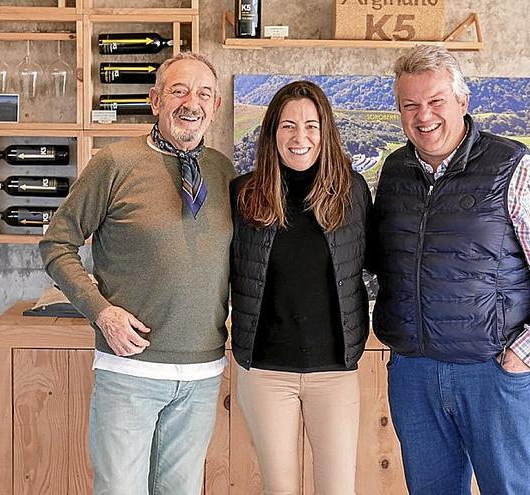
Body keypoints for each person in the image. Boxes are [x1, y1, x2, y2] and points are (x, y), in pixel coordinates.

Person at [368, 46, 530, 494]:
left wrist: (527, 354)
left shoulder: (513, 168)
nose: (423, 116)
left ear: (462, 102)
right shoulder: (394, 171)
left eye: (435, 101)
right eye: (410, 105)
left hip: (492, 372)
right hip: (415, 372)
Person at [39, 52, 233, 495]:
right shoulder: (114, 163)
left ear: (216, 106)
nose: (192, 102)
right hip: (130, 369)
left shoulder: (223, 171)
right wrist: (101, 312)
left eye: (204, 93)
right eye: (179, 90)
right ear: (155, 100)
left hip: (203, 372)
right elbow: (56, 244)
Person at [229, 80, 371, 495]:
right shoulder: (244, 194)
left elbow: (376, 263)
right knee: (280, 489)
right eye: (288, 126)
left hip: (335, 372)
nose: (300, 137)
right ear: (272, 133)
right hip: (266, 372)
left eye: (311, 125)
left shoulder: (352, 191)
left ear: (325, 132)